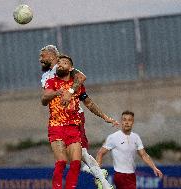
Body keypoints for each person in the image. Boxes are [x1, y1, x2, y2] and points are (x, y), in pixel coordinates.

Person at [40, 45, 118, 189]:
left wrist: (70, 91)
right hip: (57, 120)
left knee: (79, 154)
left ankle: (102, 181)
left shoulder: (64, 67)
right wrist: (56, 94)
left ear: (51, 56)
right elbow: (45, 98)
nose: (40, 59)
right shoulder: (47, 76)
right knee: (75, 157)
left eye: (42, 55)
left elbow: (82, 78)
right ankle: (99, 176)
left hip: (75, 117)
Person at [96, 111, 163, 189]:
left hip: (132, 176)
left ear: (133, 122)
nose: (127, 122)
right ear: (121, 122)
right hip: (120, 175)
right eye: (124, 120)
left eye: (129, 120)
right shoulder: (113, 137)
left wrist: (154, 167)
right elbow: (100, 153)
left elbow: (143, 155)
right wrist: (98, 174)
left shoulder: (136, 137)